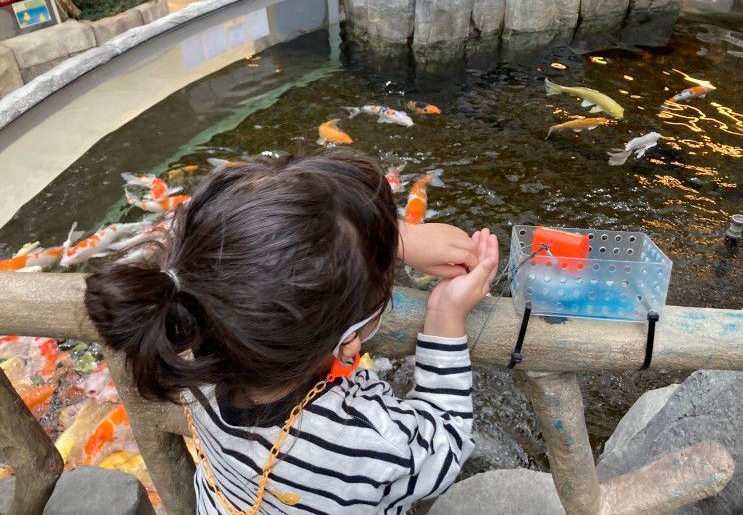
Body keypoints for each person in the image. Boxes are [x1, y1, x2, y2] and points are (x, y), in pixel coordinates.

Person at [85, 148, 498, 514]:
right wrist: (445, 319)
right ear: (349, 338)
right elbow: (445, 440)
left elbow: (236, 256)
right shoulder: (365, 439)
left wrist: (389, 239)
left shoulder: (192, 347)